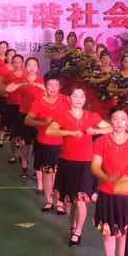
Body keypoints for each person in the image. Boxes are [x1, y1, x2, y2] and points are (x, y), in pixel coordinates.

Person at [46, 86, 111, 246]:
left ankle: (78, 232)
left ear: (85, 99)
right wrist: (69, 132)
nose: (79, 99)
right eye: (75, 96)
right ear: (69, 98)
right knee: (69, 201)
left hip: (86, 163)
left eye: (82, 96)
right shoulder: (62, 115)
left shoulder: (92, 116)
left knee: (81, 200)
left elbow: (109, 128)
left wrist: (95, 130)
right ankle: (73, 226)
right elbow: (50, 131)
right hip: (67, 162)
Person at [90, 108, 128, 256]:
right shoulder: (101, 141)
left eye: (122, 119)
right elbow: (95, 166)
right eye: (115, 119)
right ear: (110, 121)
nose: (119, 122)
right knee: (109, 234)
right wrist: (106, 178)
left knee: (125, 236)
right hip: (107, 193)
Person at [25, 74, 67, 212]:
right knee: (47, 173)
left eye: (56, 85)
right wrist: (44, 123)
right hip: (45, 143)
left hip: (63, 143)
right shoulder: (39, 102)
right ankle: (49, 200)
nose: (53, 88)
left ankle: (59, 202)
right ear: (45, 86)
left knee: (60, 174)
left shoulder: (66, 100)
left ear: (60, 87)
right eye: (50, 85)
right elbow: (28, 120)